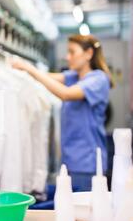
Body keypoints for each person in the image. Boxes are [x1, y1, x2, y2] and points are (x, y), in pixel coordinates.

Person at [9, 34, 113, 191]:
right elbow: (46, 77)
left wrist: (28, 67)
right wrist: (21, 72)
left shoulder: (98, 80)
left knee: (85, 212)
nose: (67, 57)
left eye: (72, 52)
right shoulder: (74, 76)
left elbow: (66, 94)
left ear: (89, 54)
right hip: (71, 161)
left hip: (88, 164)